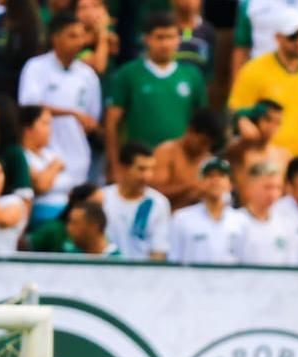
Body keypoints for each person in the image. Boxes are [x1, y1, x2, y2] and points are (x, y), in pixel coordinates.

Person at [104, 13, 207, 181]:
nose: (165, 44)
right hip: (138, 165)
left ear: (178, 39)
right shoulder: (128, 74)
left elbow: (202, 127)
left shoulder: (192, 76)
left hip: (179, 165)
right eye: (159, 38)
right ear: (147, 39)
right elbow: (111, 123)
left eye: (171, 37)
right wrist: (115, 165)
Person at [227, 9, 298, 163]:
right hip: (264, 159)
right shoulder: (254, 70)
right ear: (278, 38)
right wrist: (245, 126)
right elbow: (234, 111)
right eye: (292, 37)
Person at [17, 14, 101, 187]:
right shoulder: (36, 67)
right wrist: (72, 113)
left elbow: (92, 118)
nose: (79, 41)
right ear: (55, 38)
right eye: (72, 36)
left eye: (82, 35)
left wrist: (88, 123)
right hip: (43, 156)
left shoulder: (88, 75)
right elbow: (29, 107)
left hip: (78, 155)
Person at [98, 141, 170, 260]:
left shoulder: (158, 203)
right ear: (123, 168)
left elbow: (159, 251)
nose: (147, 176)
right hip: (104, 271)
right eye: (141, 169)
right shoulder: (102, 198)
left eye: (151, 169)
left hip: (142, 274)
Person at [167, 156, 243, 264]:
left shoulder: (241, 220)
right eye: (209, 176)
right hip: (192, 280)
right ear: (199, 183)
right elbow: (173, 259)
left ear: (230, 185)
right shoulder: (182, 219)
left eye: (221, 176)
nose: (215, 180)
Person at [151, 108, 222, 209]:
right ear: (190, 131)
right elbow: (154, 194)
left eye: (210, 145)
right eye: (203, 142)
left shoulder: (209, 160)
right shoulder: (166, 152)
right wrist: (190, 186)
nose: (205, 148)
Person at [237, 159, 298, 265]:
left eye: (278, 188)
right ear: (250, 187)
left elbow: (291, 265)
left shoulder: (286, 223)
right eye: (267, 187)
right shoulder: (235, 222)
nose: (273, 193)